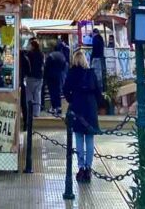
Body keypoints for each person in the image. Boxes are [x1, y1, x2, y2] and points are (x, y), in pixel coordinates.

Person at [63, 50, 103, 183]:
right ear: (85, 60)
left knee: (79, 138)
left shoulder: (72, 73)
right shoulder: (91, 73)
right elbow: (98, 91)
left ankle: (80, 167)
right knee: (90, 138)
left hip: (77, 107)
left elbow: (65, 89)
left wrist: (71, 100)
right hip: (90, 108)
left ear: (74, 60)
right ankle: (88, 168)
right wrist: (99, 104)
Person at [44, 41, 67, 114]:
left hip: (50, 76)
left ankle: (54, 107)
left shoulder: (51, 55)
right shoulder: (62, 56)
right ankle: (59, 107)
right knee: (57, 92)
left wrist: (45, 76)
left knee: (52, 92)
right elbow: (64, 67)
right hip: (59, 76)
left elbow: (46, 66)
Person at [23, 39, 44, 118]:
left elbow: (27, 65)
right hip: (39, 77)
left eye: (30, 45)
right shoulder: (41, 54)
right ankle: (36, 112)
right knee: (37, 94)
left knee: (29, 95)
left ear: (32, 46)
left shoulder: (29, 54)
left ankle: (30, 112)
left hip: (31, 76)